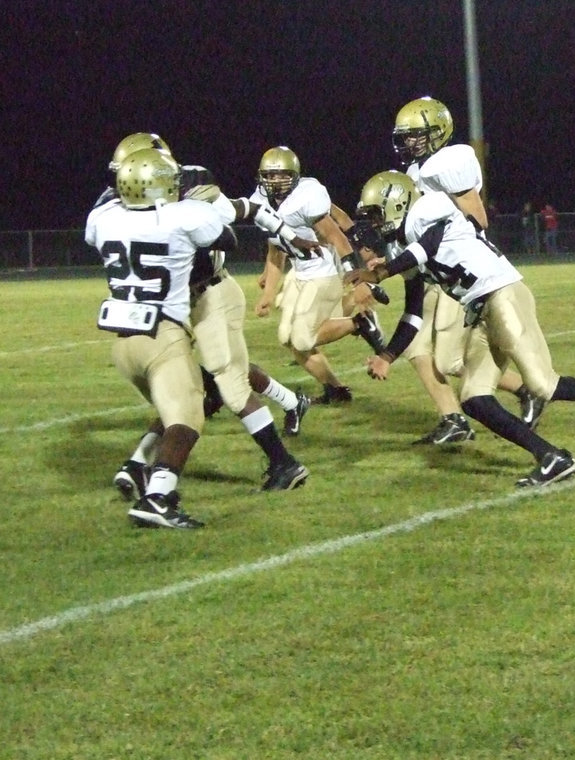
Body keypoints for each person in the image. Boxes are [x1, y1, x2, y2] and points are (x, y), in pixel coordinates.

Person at [345, 171, 575, 487]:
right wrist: (387, 355)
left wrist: (381, 272)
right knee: (474, 398)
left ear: (398, 203)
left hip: (502, 294)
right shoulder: (406, 249)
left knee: (544, 385)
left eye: (376, 215)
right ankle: (551, 457)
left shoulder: (428, 207)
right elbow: (413, 314)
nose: (374, 224)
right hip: (480, 310)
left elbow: (429, 245)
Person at [99, 134, 315, 503]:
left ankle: (284, 463)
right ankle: (140, 461)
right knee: (185, 386)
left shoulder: (194, 182)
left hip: (211, 293)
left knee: (229, 384)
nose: (128, 182)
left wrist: (288, 235)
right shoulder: (112, 202)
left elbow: (241, 212)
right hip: (169, 305)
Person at [86, 148, 238, 528]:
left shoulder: (103, 218)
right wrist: (202, 201)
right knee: (187, 420)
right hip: (163, 334)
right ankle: (157, 497)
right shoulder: (185, 215)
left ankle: (140, 469)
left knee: (176, 411)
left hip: (124, 343)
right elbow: (228, 239)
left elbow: (97, 220)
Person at [392, 96, 545, 442]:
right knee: (417, 348)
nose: (407, 142)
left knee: (449, 361)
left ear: (437, 132)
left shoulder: (448, 162)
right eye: (404, 135)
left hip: (452, 272)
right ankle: (453, 419)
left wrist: (435, 254)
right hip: (429, 270)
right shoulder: (416, 171)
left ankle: (528, 390)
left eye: (415, 134)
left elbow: (477, 220)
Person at [252, 146, 388, 406]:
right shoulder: (259, 201)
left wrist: (356, 278)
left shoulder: (306, 196)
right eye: (269, 175)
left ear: (293, 176)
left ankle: (360, 321)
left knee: (303, 338)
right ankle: (335, 389)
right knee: (287, 339)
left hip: (323, 270)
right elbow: (275, 249)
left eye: (281, 175)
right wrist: (268, 293)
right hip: (301, 271)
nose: (275, 181)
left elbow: (336, 237)